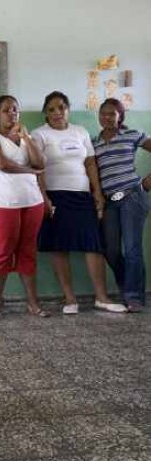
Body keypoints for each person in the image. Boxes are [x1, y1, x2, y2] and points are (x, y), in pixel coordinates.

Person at [31, 91, 126, 315]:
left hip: (82, 194)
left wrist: (98, 193)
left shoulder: (80, 132)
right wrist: (44, 198)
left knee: (92, 244)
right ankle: (69, 299)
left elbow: (90, 164)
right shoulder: (38, 135)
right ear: (45, 112)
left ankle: (101, 297)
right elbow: (37, 168)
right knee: (59, 245)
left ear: (68, 109)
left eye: (61, 107)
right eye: (52, 109)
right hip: (55, 195)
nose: (57, 112)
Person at [0, 95, 49, 320]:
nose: (12, 114)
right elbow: (2, 164)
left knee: (28, 252)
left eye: (16, 110)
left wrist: (26, 137)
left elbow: (40, 163)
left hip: (32, 202)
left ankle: (33, 303)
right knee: (3, 251)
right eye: (7, 110)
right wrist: (30, 171)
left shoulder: (25, 138)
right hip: (2, 205)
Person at [92, 98, 151, 312]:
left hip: (132, 196)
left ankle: (134, 297)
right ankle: (127, 286)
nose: (107, 117)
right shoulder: (93, 142)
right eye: (103, 113)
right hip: (109, 202)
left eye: (112, 114)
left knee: (133, 248)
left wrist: (147, 182)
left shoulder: (131, 135)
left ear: (120, 116)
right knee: (110, 249)